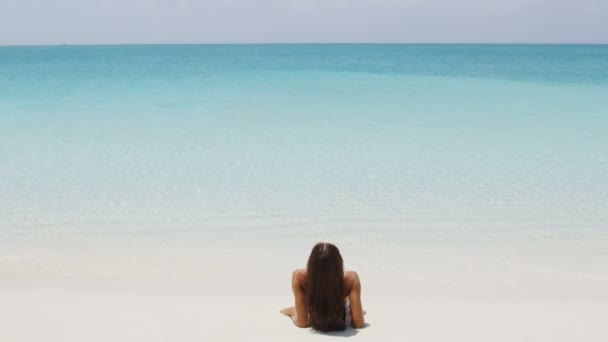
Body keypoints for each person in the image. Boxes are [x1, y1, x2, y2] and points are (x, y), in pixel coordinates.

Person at [280, 242, 365, 331]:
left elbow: (302, 322)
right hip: (339, 305)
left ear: (311, 263)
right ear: (339, 263)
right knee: (346, 301)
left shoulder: (299, 277)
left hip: (314, 307)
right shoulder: (351, 279)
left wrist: (293, 311)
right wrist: (356, 312)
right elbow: (358, 323)